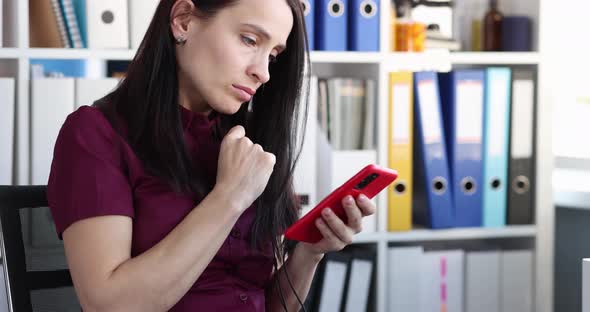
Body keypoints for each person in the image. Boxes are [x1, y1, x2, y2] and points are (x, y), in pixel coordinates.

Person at [47, 0, 376, 311]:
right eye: (249, 40)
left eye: (273, 55)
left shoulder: (249, 146)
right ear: (183, 20)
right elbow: (109, 306)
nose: (264, 72)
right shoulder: (95, 133)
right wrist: (229, 199)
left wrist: (309, 252)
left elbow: (268, 305)